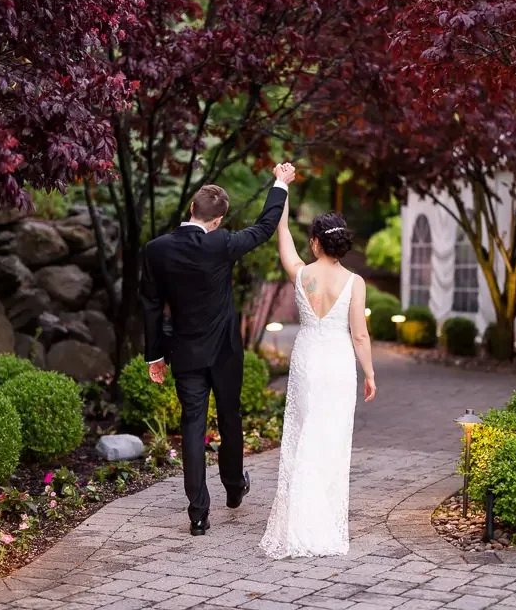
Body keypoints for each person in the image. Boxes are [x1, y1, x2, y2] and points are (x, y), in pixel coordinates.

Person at [140, 163, 297, 536]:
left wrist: (155, 354)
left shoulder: (156, 250)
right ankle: (233, 488)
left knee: (192, 427)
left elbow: (150, 304)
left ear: (192, 209)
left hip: (186, 353)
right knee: (230, 418)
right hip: (225, 353)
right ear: (218, 218)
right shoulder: (221, 243)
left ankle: (198, 514)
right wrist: (280, 183)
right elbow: (263, 227)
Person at [260, 201, 376, 559]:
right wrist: (369, 373)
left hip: (308, 359)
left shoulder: (301, 274)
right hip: (338, 362)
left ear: (314, 243)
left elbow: (282, 236)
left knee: (303, 433)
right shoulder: (354, 282)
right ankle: (320, 519)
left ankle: (299, 517)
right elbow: (359, 335)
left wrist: (283, 194)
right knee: (332, 438)